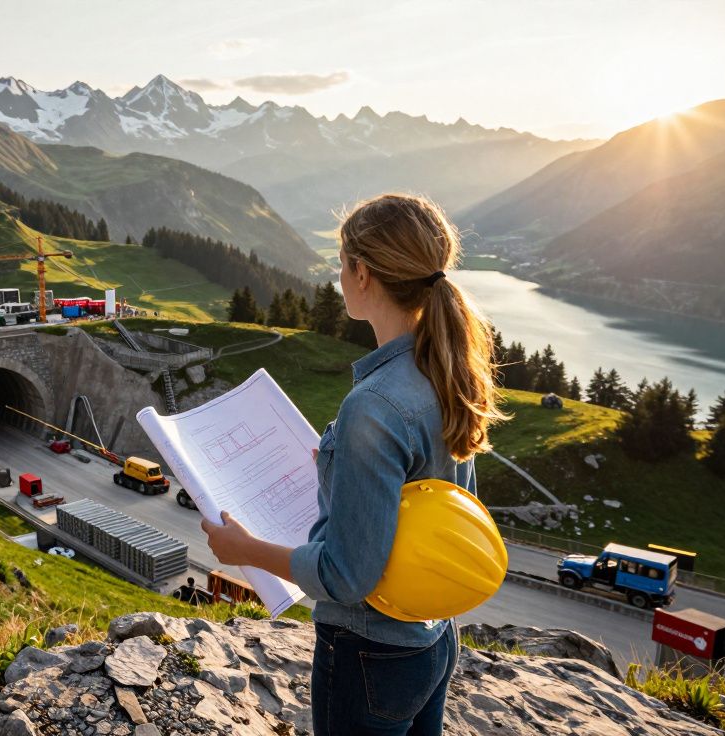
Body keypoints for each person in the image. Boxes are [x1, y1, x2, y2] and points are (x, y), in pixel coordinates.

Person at [200, 193, 506, 736]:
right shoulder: (444, 367)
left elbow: (347, 576)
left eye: (341, 265)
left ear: (361, 273)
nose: (340, 277)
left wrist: (243, 550)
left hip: (370, 652)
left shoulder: (374, 405)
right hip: (433, 641)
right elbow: (447, 505)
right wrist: (341, 470)